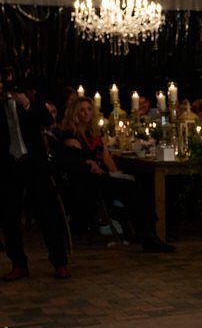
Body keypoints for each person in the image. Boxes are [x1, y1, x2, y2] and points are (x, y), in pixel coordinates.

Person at [58, 96, 174, 253]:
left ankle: (149, 232)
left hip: (101, 177)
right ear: (75, 114)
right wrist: (91, 166)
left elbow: (106, 156)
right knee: (131, 188)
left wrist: (116, 173)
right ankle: (146, 235)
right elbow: (78, 163)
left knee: (140, 184)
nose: (86, 113)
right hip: (86, 183)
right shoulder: (71, 135)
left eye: (89, 109)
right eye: (82, 110)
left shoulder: (94, 134)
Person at [2, 71, 70, 280]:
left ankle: (59, 261)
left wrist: (26, 104)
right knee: (9, 216)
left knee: (47, 212)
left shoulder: (29, 97)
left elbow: (47, 120)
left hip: (34, 163)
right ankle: (18, 263)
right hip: (9, 163)